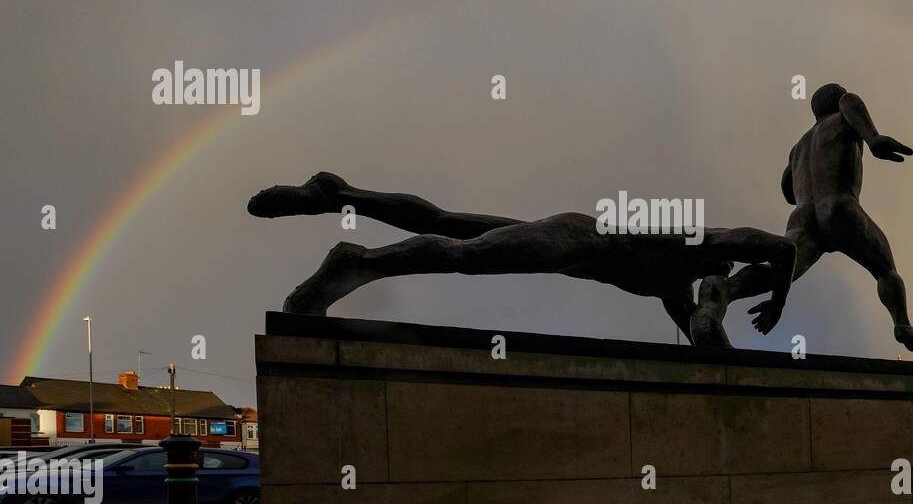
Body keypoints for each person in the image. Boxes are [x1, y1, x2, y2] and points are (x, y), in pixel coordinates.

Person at [248, 172, 795, 340]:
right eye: (718, 286)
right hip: (580, 240)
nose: (714, 292)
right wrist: (777, 301)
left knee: (445, 222)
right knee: (463, 255)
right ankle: (357, 263)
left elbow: (707, 340)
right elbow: (782, 247)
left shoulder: (676, 291)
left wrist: (722, 317)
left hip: (575, 246)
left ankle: (339, 194)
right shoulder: (712, 242)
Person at [695, 82, 913, 351]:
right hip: (840, 208)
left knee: (779, 270)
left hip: (803, 217)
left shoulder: (798, 147)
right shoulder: (845, 110)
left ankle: (726, 290)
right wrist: (873, 139)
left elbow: (787, 191)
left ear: (814, 112)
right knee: (885, 270)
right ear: (837, 101)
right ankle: (902, 324)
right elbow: (851, 104)